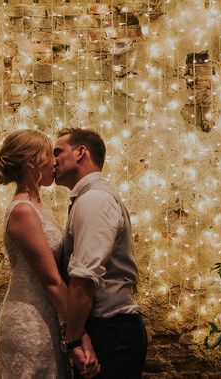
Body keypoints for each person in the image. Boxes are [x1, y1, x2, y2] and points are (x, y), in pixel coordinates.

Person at [0, 129, 100, 379]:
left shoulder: (39, 207)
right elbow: (51, 280)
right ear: (31, 162)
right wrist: (79, 334)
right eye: (49, 154)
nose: (55, 161)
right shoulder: (23, 211)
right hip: (29, 322)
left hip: (48, 318)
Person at [54, 128, 147, 378]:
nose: (53, 160)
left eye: (58, 151)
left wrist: (72, 341)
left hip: (111, 332)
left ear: (81, 152)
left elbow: (84, 279)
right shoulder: (89, 197)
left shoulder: (94, 200)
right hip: (108, 329)